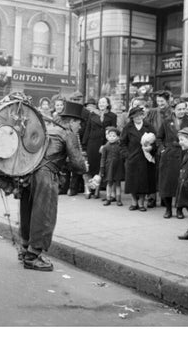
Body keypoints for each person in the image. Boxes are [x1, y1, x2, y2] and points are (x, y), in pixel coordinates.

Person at [18, 101, 88, 271]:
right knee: (44, 214)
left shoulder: (46, 128)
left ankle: (24, 249)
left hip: (28, 173)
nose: (80, 127)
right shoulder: (67, 134)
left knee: (27, 211)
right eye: (79, 123)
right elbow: (78, 164)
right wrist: (83, 167)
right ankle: (33, 256)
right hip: (46, 176)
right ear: (72, 121)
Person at [156, 100, 188, 219]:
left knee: (181, 183)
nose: (182, 111)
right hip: (169, 156)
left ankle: (179, 209)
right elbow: (159, 138)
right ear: (173, 110)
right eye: (179, 109)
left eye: (184, 109)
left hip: (185, 155)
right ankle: (168, 209)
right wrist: (162, 149)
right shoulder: (167, 122)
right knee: (167, 183)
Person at [120, 106, 157, 211]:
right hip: (132, 158)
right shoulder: (128, 127)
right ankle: (133, 202)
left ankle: (141, 203)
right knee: (132, 181)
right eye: (135, 116)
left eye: (140, 115)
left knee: (143, 181)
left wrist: (151, 148)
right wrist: (127, 155)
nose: (138, 117)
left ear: (143, 115)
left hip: (145, 158)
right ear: (132, 117)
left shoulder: (148, 126)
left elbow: (156, 141)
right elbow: (122, 143)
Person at [82, 96, 117, 197]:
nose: (101, 104)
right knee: (91, 167)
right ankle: (89, 189)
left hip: (105, 144)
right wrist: (84, 145)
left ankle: (97, 189)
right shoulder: (92, 114)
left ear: (107, 104)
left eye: (103, 102)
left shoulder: (112, 116)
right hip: (92, 144)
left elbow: (113, 131)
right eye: (100, 102)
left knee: (100, 167)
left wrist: (108, 144)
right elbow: (87, 129)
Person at [99, 127, 124, 206]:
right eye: (110, 136)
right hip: (109, 167)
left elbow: (123, 156)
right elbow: (103, 158)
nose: (112, 138)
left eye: (114, 136)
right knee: (109, 183)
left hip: (118, 167)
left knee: (118, 183)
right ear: (107, 137)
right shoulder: (105, 147)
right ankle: (108, 198)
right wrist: (102, 168)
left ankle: (118, 199)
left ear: (117, 137)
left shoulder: (120, 146)